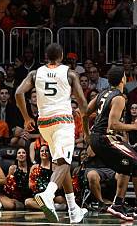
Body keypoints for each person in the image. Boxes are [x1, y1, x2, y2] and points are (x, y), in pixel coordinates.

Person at [15, 42, 88, 223]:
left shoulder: (34, 73)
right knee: (64, 163)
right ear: (62, 56)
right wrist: (86, 128)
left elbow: (18, 93)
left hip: (44, 123)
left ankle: (73, 210)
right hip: (62, 121)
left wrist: (26, 118)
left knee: (62, 164)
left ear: (46, 57)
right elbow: (83, 104)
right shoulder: (70, 73)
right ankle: (48, 194)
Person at [86, 66, 137, 221]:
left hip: (97, 137)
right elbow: (112, 125)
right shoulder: (119, 97)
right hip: (105, 137)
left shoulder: (102, 93)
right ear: (123, 79)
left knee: (127, 164)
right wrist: (135, 126)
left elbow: (85, 112)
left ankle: (120, 204)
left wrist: (88, 135)